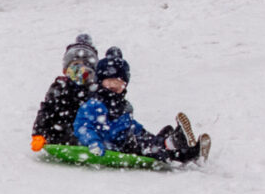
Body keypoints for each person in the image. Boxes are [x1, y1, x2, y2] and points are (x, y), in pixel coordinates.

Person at [72, 47, 207, 163]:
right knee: (147, 148)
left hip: (126, 140)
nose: (113, 86)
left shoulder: (124, 106)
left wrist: (142, 132)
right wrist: (93, 142)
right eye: (109, 81)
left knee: (150, 140)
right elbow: (82, 127)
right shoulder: (93, 105)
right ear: (100, 82)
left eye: (118, 83)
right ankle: (175, 144)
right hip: (112, 146)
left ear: (124, 86)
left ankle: (185, 148)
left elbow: (130, 124)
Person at [30, 34, 98, 151]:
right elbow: (46, 110)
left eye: (85, 67)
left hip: (87, 134)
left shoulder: (94, 91)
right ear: (66, 70)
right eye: (75, 66)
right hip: (61, 132)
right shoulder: (59, 87)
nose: (80, 71)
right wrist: (39, 134)